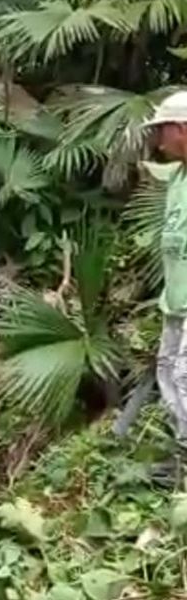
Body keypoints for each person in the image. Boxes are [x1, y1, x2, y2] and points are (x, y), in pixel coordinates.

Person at [143, 90, 187, 489]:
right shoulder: (177, 177)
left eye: (163, 130)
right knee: (167, 372)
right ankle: (182, 452)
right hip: (175, 300)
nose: (158, 141)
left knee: (185, 375)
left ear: (183, 129)